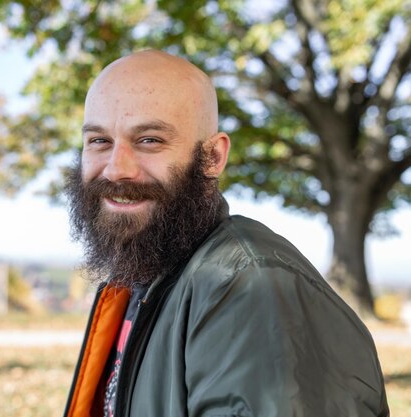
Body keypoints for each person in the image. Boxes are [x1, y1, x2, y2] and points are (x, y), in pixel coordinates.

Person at [62, 50, 389, 417]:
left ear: (213, 157)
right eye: (99, 141)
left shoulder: (248, 288)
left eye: (150, 140)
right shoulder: (145, 275)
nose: (116, 169)